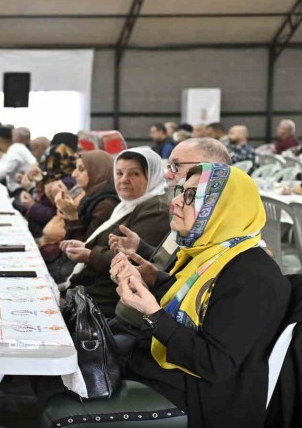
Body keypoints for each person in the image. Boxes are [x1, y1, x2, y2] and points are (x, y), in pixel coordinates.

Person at [112, 163, 289, 427]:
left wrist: (153, 314)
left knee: (63, 393)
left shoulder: (252, 275)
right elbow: (195, 308)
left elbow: (214, 364)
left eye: (192, 196)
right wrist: (146, 283)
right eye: (181, 192)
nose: (176, 202)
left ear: (224, 208)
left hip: (202, 398)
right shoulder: (210, 254)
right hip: (168, 370)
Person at [106, 138, 232, 351]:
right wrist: (146, 257)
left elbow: (190, 298)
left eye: (176, 166)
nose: (167, 174)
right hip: (133, 320)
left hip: (150, 334)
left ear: (212, 171)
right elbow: (175, 266)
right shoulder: (182, 210)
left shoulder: (213, 232)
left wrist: (153, 293)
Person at [60, 147, 171, 317]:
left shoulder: (156, 209)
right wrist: (86, 246)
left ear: (153, 177)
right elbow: (112, 245)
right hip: (96, 288)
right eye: (119, 173)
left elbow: (132, 259)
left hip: (111, 299)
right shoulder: (127, 204)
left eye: (134, 174)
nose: (124, 179)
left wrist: (90, 254)